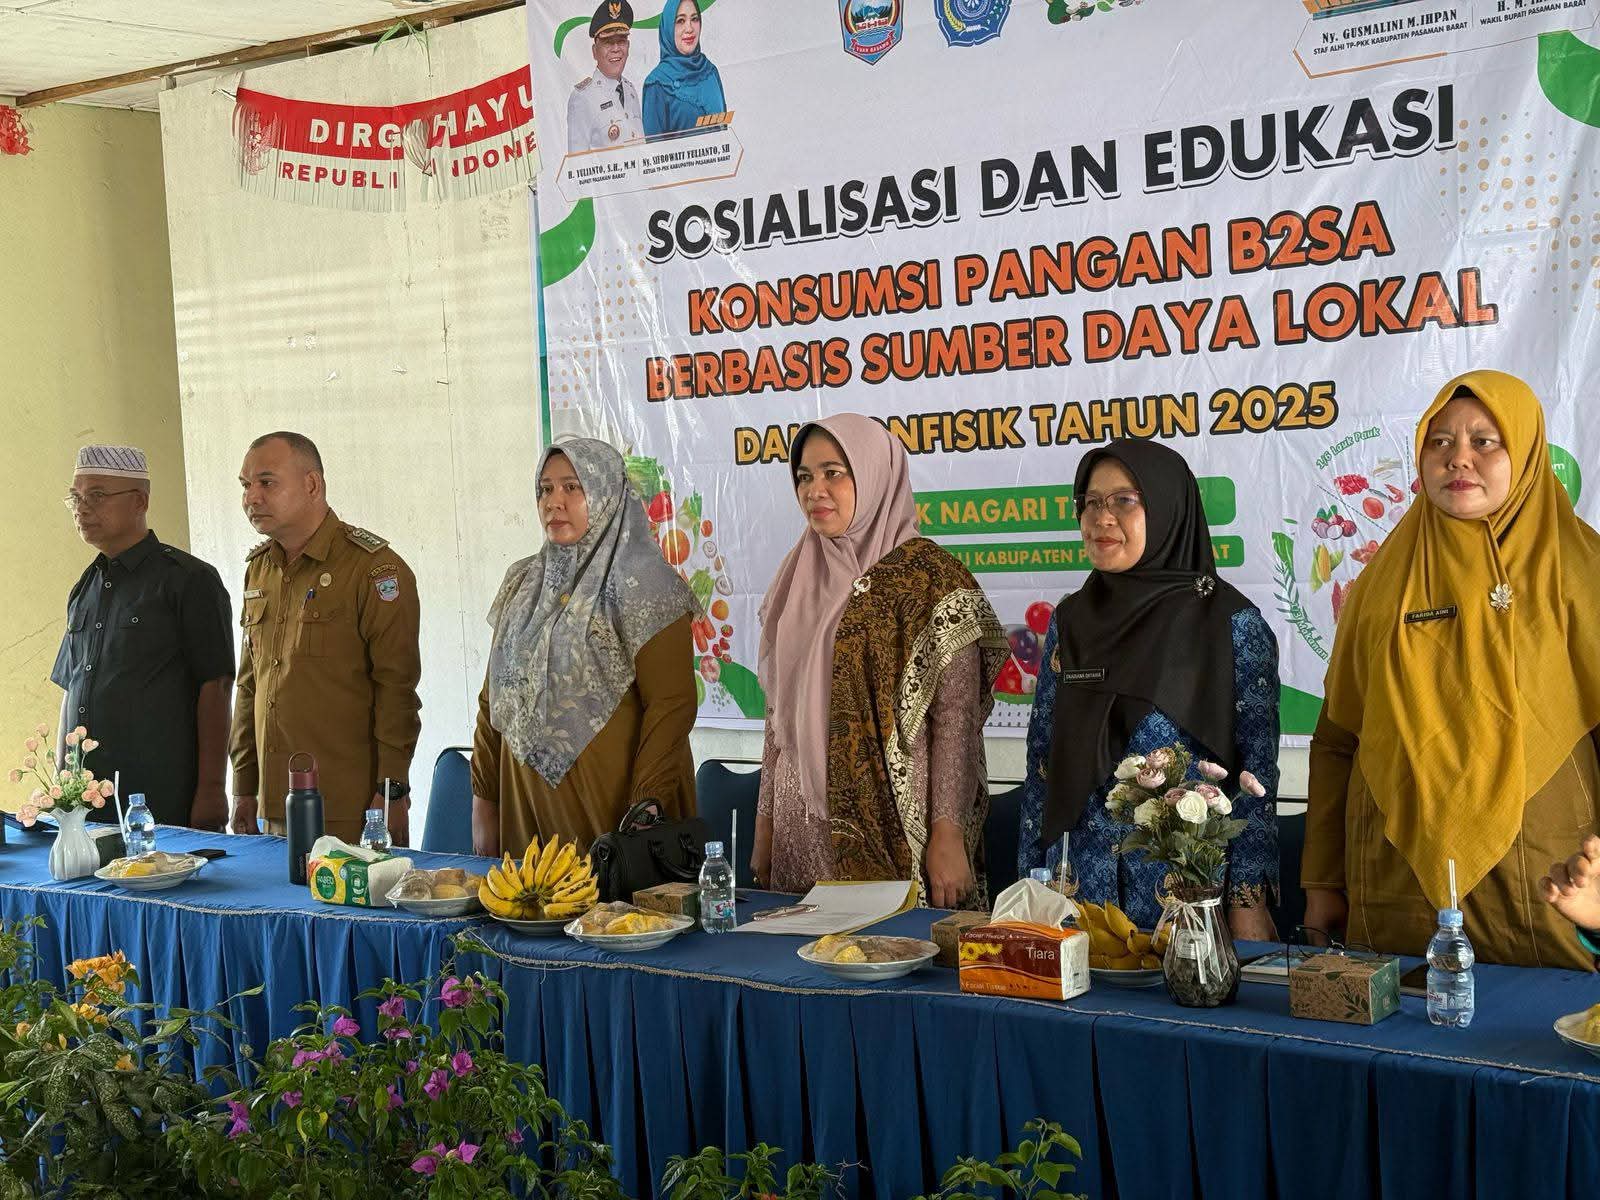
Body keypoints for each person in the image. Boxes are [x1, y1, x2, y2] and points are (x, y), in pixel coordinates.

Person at [1304, 371, 1600, 969]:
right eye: (1439, 442)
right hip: (1394, 871)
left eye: (1484, 441)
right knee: (1402, 1016)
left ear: (1525, 452)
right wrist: (1321, 882)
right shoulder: (1382, 581)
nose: (1458, 458)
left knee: (1543, 1020)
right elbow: (1337, 740)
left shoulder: (1581, 570)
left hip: (1544, 870)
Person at [1018, 439, 1281, 939]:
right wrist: (1029, 883)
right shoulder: (1070, 621)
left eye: (1124, 500)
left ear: (1166, 508)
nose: (1101, 517)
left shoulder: (1230, 625)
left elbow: (1257, 779)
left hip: (1185, 904)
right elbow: (1042, 763)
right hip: (1074, 895)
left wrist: (1248, 901)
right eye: (1091, 502)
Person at [750, 414, 1007, 908]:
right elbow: (776, 715)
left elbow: (955, 719)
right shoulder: (796, 575)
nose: (814, 490)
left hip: (895, 823)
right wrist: (766, 824)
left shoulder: (931, 578)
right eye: (804, 476)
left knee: (891, 946)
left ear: (873, 476)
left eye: (833, 473)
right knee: (798, 953)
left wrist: (948, 833)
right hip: (799, 828)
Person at [470, 439, 699, 857]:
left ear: (606, 492)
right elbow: (493, 698)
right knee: (531, 894)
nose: (554, 502)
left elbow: (671, 707)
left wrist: (643, 814)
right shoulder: (523, 584)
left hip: (615, 818)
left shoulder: (648, 588)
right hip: (523, 812)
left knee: (607, 900)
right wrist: (484, 799)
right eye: (545, 489)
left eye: (572, 487)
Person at [229, 432, 422, 845]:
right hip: (273, 809)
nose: (251, 498)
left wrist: (391, 792)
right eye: (246, 485)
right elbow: (249, 686)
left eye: (267, 482)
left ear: (312, 484)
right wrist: (244, 786)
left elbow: (397, 690)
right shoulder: (259, 569)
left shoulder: (373, 569)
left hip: (352, 811)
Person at [50, 445, 234, 830]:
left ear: (140, 501)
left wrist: (213, 790)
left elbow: (215, 687)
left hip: (160, 799)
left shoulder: (188, 580)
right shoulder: (85, 587)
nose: (82, 508)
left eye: (96, 495)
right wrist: (61, 784)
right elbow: (71, 688)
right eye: (76, 497)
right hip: (86, 803)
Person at [642, 0, 727, 139]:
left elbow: (725, 133)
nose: (689, 28)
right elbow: (655, 149)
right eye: (680, 21)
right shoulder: (657, 84)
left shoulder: (710, 71)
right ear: (668, 27)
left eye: (694, 19)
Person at [567, 0, 643, 153]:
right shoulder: (582, 98)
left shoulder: (630, 90)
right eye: (608, 42)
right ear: (595, 51)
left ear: (628, 47)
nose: (616, 49)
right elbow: (578, 161)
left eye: (621, 41)